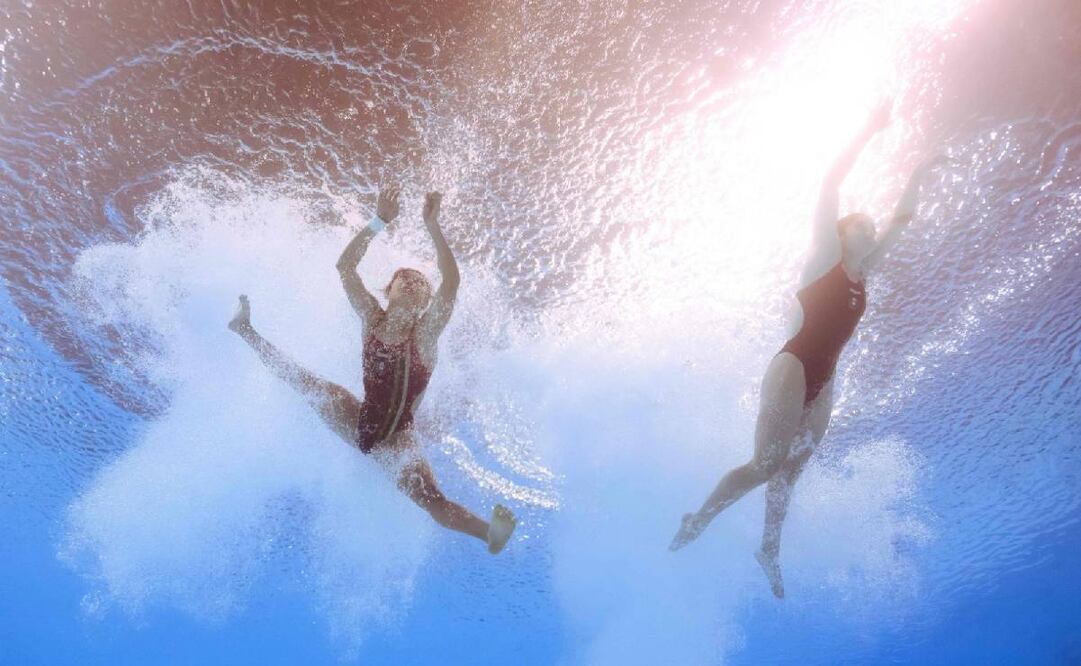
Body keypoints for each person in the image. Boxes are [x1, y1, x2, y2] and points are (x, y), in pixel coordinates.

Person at [669, 105, 945, 596]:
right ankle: (700, 518)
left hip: (825, 379)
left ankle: (768, 550)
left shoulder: (863, 274)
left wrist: (920, 174)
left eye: (871, 228)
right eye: (861, 226)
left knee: (790, 472)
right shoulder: (825, 256)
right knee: (765, 464)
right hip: (793, 364)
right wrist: (868, 128)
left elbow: (901, 222)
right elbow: (831, 182)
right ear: (841, 232)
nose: (871, 232)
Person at [229, 186, 516, 554]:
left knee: (433, 500)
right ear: (388, 290)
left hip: (396, 439)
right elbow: (345, 267)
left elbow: (452, 282)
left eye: (421, 283)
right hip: (357, 420)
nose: (413, 282)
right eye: (404, 278)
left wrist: (433, 226)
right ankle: (245, 330)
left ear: (426, 303)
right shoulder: (371, 316)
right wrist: (379, 221)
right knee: (302, 380)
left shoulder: (425, 335)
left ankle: (490, 534)